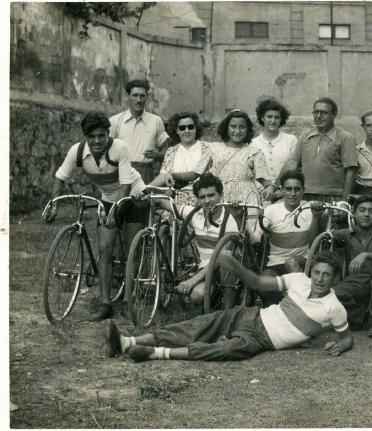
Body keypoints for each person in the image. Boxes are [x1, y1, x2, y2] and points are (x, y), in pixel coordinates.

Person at [102, 251, 353, 361]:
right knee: (200, 324)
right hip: (251, 316)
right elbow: (258, 282)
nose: (319, 279)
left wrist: (341, 345)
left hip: (262, 341)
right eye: (317, 272)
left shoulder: (334, 307)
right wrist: (235, 266)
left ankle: (156, 354)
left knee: (224, 349)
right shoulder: (298, 279)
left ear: (334, 278)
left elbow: (347, 337)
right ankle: (129, 342)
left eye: (326, 274)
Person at [44, 111, 146, 320]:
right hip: (108, 197)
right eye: (92, 137)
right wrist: (53, 204)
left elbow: (126, 184)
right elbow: (60, 177)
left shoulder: (119, 147)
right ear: (85, 136)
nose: (97, 141)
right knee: (104, 247)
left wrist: (116, 211)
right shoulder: (78, 151)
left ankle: (128, 300)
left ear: (108, 134)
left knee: (130, 249)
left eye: (102, 135)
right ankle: (105, 303)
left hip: (133, 195)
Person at [143, 173, 238, 307]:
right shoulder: (194, 214)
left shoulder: (229, 219)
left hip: (225, 268)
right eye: (202, 197)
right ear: (197, 199)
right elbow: (160, 201)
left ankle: (229, 310)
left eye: (211, 195)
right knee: (196, 296)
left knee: (226, 256)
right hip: (206, 269)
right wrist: (147, 191)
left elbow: (221, 258)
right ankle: (214, 296)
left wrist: (192, 281)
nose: (207, 201)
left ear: (221, 195)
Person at [249, 170, 324, 307]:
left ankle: (303, 307)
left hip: (304, 262)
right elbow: (255, 239)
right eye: (288, 189)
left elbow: (313, 243)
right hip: (276, 264)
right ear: (282, 190)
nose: (293, 193)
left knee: (292, 261)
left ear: (303, 190)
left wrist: (316, 216)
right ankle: (281, 310)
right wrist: (247, 226)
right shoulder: (271, 210)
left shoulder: (309, 207)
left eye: (297, 189)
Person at [332, 196, 372, 338]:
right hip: (355, 284)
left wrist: (366, 254)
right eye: (362, 210)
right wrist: (324, 216)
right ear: (354, 213)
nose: (366, 214)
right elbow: (327, 236)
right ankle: (361, 314)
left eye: (371, 211)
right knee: (330, 294)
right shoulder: (347, 233)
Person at [280, 97, 358, 202]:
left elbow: (351, 172)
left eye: (324, 113)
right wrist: (275, 186)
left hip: (333, 197)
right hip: (305, 195)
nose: (319, 116)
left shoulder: (345, 138)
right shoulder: (305, 136)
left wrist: (344, 201)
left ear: (334, 114)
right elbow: (293, 162)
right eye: (316, 112)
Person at [210, 109, 274, 221]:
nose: (238, 131)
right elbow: (199, 174)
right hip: (221, 199)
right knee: (220, 233)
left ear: (248, 129)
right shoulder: (214, 149)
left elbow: (266, 181)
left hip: (247, 201)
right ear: (226, 128)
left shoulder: (255, 152)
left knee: (249, 234)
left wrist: (270, 188)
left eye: (242, 127)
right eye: (233, 126)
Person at [109, 79, 169, 183]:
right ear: (128, 97)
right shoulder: (115, 121)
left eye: (142, 96)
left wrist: (157, 155)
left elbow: (167, 153)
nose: (138, 100)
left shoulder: (156, 121)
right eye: (135, 95)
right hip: (121, 172)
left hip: (146, 173)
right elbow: (106, 151)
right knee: (121, 200)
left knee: (144, 199)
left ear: (147, 97)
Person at [148, 112, 211, 207]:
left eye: (190, 127)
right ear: (177, 131)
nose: (187, 131)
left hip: (201, 201)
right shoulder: (172, 151)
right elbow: (163, 176)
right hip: (175, 202)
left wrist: (172, 175)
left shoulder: (206, 148)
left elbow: (194, 174)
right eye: (182, 128)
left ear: (196, 129)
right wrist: (145, 189)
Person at [252, 99, 298, 193]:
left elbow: (295, 167)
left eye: (277, 117)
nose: (273, 121)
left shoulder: (291, 140)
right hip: (259, 193)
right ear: (262, 118)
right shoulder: (253, 143)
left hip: (285, 192)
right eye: (269, 117)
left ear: (281, 119)